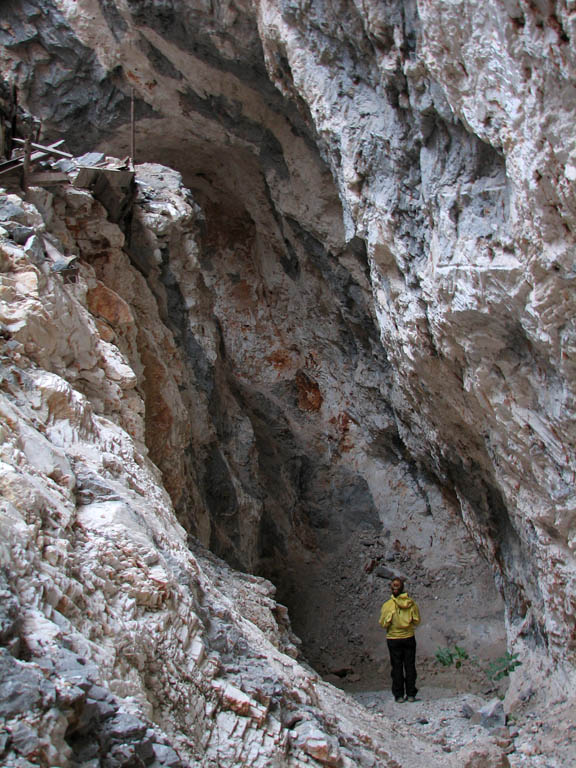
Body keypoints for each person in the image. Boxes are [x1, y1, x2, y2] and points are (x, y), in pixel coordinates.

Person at [378, 577, 420, 703]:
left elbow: (383, 624)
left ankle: (399, 695)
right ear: (403, 589)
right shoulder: (411, 604)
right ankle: (411, 694)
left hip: (393, 639)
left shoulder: (387, 606)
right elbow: (417, 621)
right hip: (409, 638)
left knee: (396, 667)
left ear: (392, 589)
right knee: (410, 666)